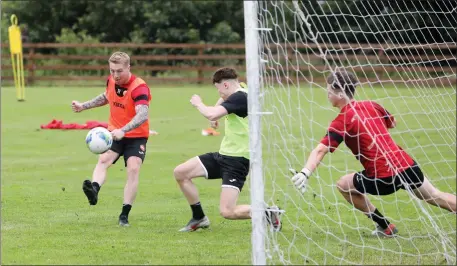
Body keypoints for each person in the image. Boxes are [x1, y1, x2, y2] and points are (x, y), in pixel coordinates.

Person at [290, 70, 456, 237]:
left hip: (383, 177)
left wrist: (306, 172)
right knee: (435, 196)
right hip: (406, 165)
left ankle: (385, 227)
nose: (327, 94)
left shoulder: (341, 121)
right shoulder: (372, 105)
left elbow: (320, 149)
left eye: (329, 91)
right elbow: (393, 122)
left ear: (340, 93)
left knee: (343, 185)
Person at [173, 67, 282, 232]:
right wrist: (217, 109)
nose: (219, 93)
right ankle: (199, 217)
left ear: (225, 85)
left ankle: (268, 213)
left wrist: (199, 104)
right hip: (224, 155)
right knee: (181, 172)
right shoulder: (241, 87)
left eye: (219, 89)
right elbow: (223, 99)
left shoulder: (241, 98)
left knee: (227, 211)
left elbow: (211, 114)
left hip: (237, 161)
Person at [71, 51, 152, 227]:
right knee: (104, 159)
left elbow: (143, 114)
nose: (115, 75)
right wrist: (83, 106)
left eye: (119, 71)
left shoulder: (139, 87)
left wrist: (124, 130)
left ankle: (124, 214)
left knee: (133, 168)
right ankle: (94, 190)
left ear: (128, 67)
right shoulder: (111, 80)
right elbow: (106, 97)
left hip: (135, 136)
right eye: (112, 70)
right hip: (114, 133)